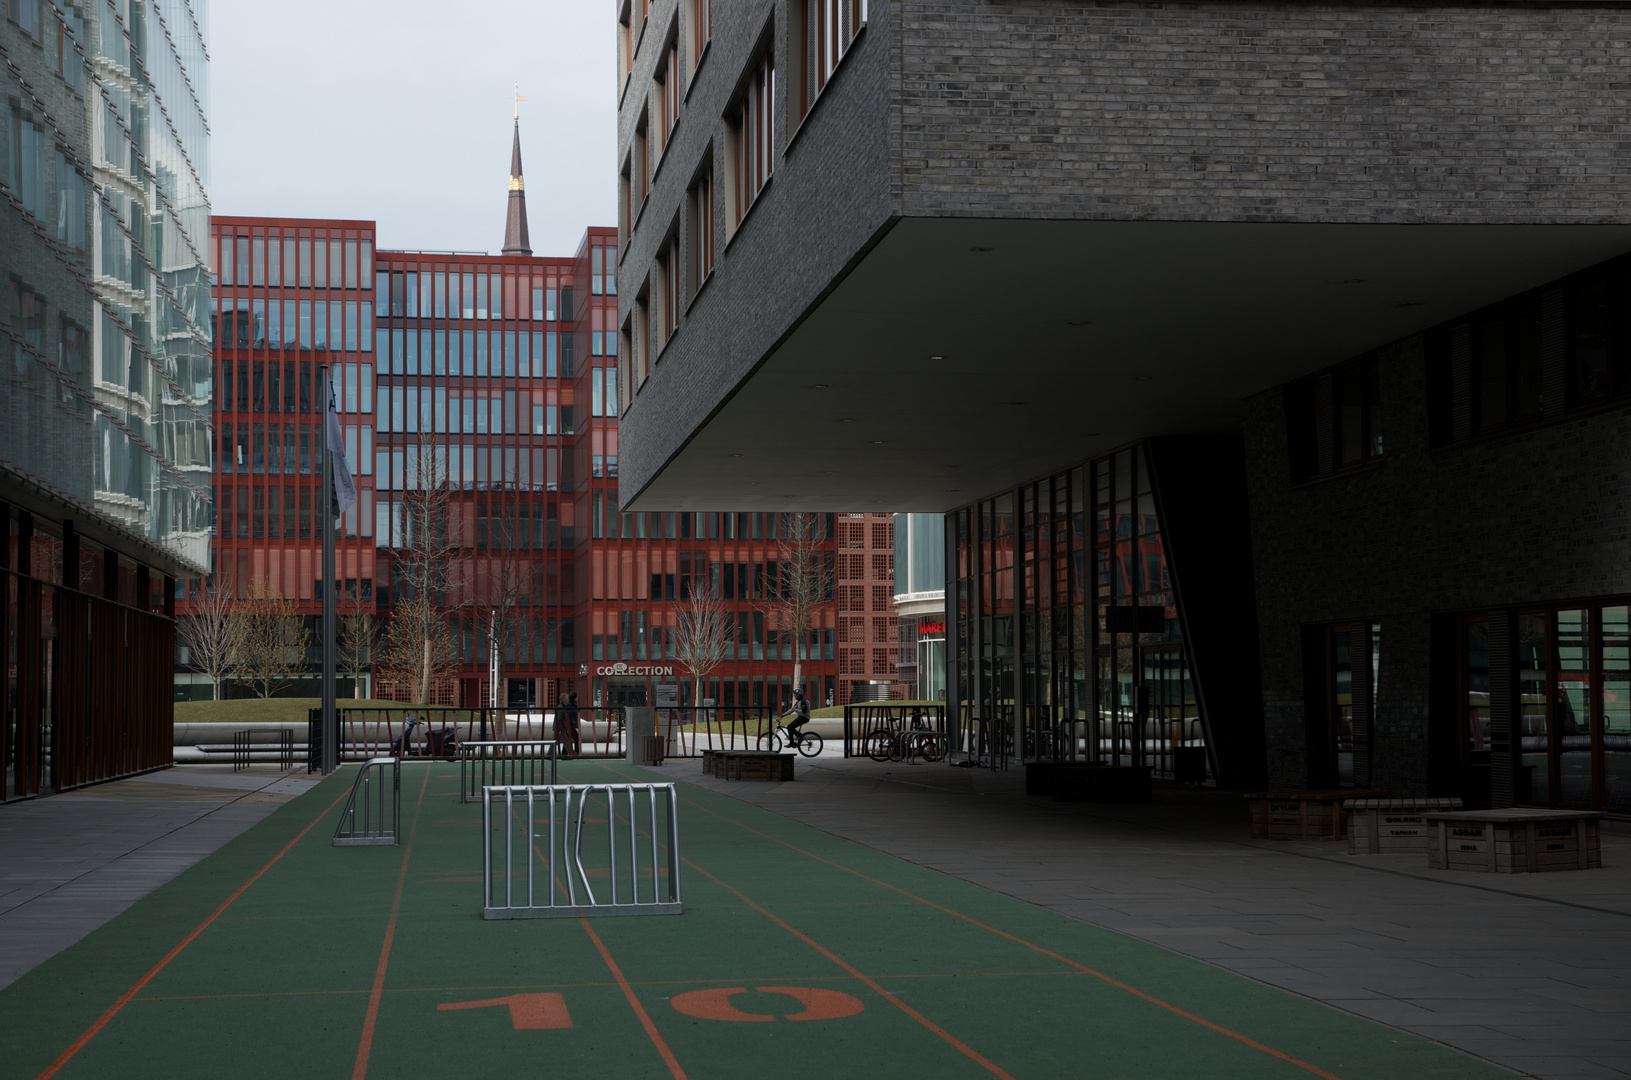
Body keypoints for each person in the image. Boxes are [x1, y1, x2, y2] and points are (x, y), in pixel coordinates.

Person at [561, 690, 581, 758]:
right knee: (576, 738)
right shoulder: (571, 705)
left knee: (568, 739)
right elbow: (569, 716)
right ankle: (576, 753)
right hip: (570, 725)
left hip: (570, 724)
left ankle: (564, 753)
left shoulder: (572, 704)